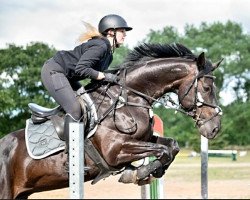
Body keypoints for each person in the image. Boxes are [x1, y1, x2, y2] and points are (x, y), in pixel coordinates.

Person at [41, 14, 132, 167]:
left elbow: (94, 77)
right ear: (111, 32)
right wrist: (104, 75)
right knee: (75, 109)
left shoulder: (108, 54)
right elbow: (82, 69)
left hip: (67, 75)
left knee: (90, 105)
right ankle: (71, 158)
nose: (125, 35)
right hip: (54, 71)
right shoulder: (101, 46)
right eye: (122, 31)